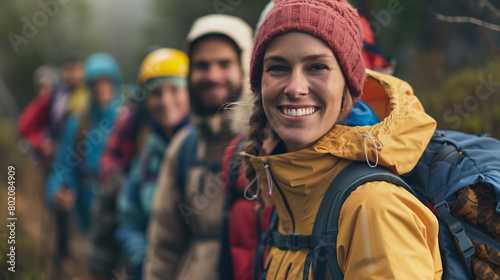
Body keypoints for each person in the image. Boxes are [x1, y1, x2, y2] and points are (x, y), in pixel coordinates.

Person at [241, 0, 443, 279]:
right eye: (278, 68)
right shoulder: (290, 192)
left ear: (348, 84)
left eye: (316, 67)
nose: (295, 88)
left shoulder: (374, 208)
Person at [143, 14, 253, 280]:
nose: (213, 76)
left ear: (246, 67)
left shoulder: (267, 142)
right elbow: (164, 247)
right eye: (202, 65)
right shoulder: (184, 147)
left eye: (225, 64)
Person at [114, 48, 190, 279]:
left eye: (174, 90)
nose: (165, 101)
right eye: (156, 93)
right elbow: (129, 218)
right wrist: (143, 257)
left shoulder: (209, 149)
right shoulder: (147, 154)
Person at [46, 52, 122, 235]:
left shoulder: (126, 122)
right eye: (95, 83)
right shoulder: (77, 124)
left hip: (121, 213)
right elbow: (64, 166)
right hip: (87, 214)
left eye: (105, 81)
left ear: (114, 83)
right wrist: (57, 191)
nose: (100, 88)